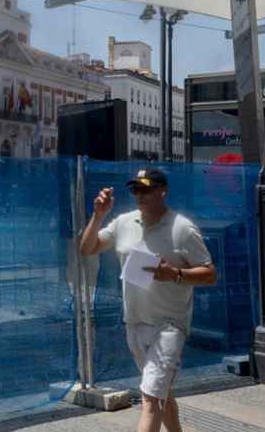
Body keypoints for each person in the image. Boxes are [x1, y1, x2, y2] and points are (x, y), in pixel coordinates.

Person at [79, 168, 216, 432]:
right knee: (161, 392)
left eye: (146, 189)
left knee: (150, 399)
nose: (140, 195)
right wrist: (98, 215)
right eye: (135, 190)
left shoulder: (183, 229)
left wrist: (175, 273)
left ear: (163, 191)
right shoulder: (123, 222)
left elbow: (210, 274)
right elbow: (87, 248)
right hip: (135, 321)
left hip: (170, 325)